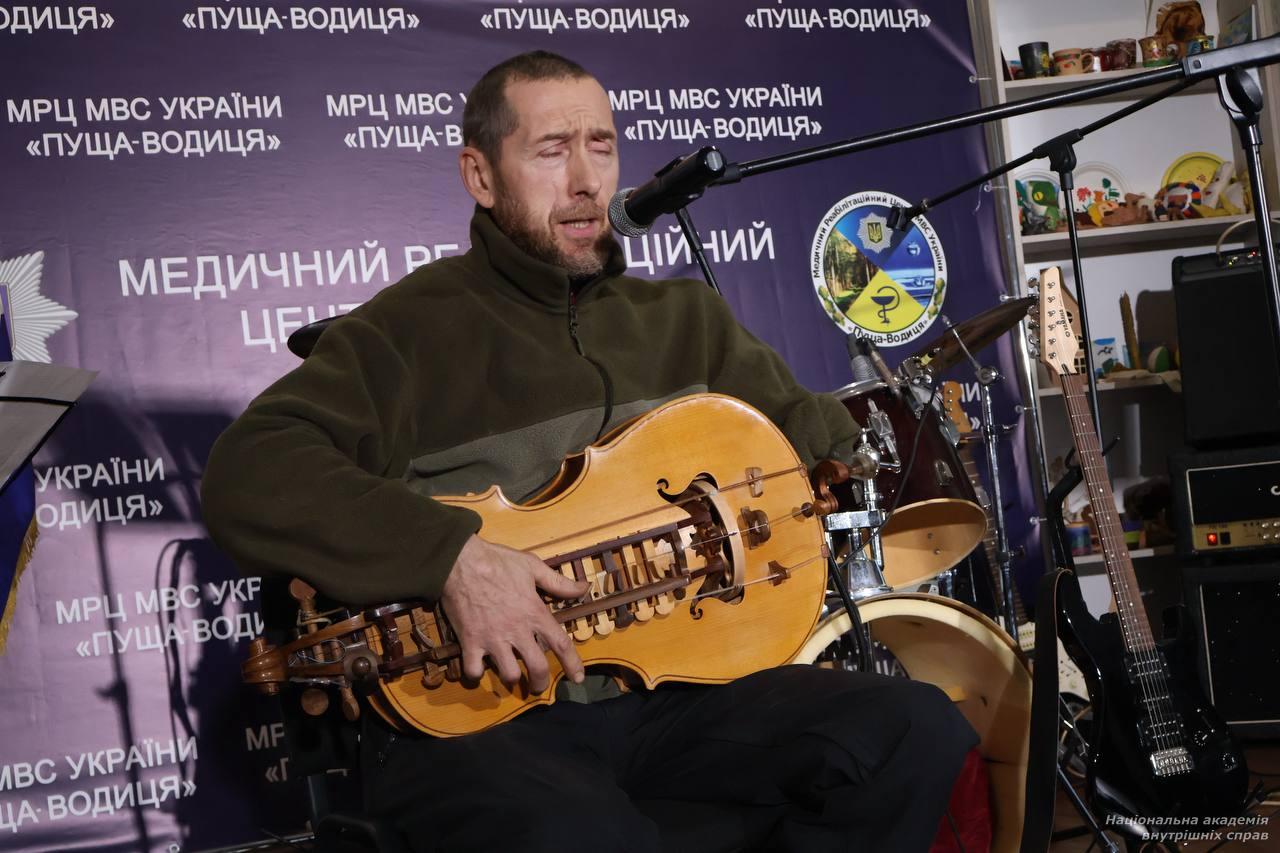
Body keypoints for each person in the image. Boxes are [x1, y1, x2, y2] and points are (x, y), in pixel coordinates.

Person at [202, 50, 977, 853]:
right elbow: (248, 472)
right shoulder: (406, 332)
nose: (585, 181)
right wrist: (452, 559)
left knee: (912, 731)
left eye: (601, 147)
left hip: (679, 701)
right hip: (484, 722)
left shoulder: (686, 320)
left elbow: (822, 440)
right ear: (480, 175)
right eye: (551, 150)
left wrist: (882, 451)